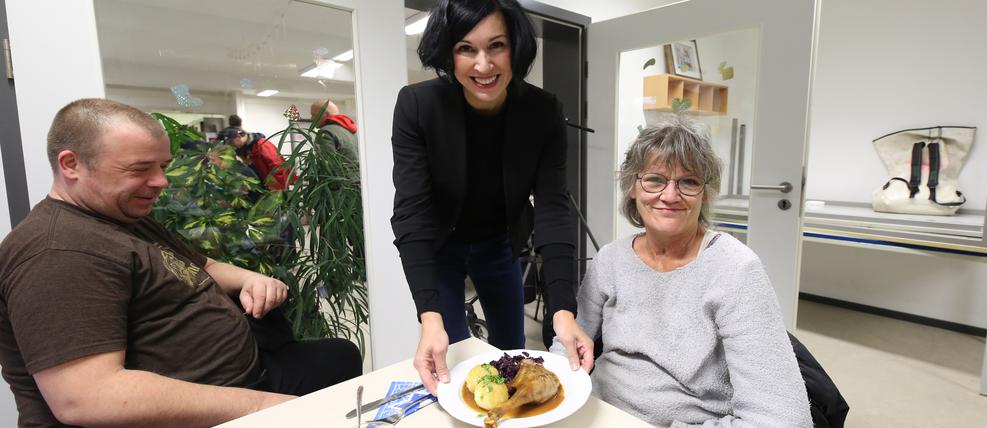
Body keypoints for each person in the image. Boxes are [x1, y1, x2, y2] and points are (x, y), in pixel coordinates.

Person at [0, 99, 361, 427]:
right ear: (71, 164)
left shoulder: (120, 216)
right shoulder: (58, 253)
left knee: (338, 358)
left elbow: (199, 266)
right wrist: (261, 406)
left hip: (244, 370)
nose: (160, 182)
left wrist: (251, 279)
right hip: (194, 411)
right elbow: (86, 398)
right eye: (140, 168)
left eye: (163, 166)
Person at [550, 117, 811, 426]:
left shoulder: (736, 271)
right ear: (633, 187)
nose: (670, 195)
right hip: (598, 412)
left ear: (706, 193)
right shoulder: (610, 260)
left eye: (688, 182)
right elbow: (566, 349)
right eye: (655, 179)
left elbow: (784, 419)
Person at [390, 0, 593, 396]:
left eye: (496, 46)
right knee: (454, 358)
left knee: (511, 355)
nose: (483, 66)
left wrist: (563, 312)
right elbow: (411, 213)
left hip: (499, 243)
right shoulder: (418, 106)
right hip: (441, 248)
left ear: (515, 46)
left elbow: (552, 209)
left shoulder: (542, 111)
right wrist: (428, 317)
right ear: (449, 52)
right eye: (467, 48)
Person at [219, 126, 296, 191]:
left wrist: (277, 189)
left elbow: (278, 167)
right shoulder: (245, 149)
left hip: (277, 187)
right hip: (265, 186)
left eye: (232, 143)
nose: (232, 146)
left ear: (238, 136)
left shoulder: (262, 145)